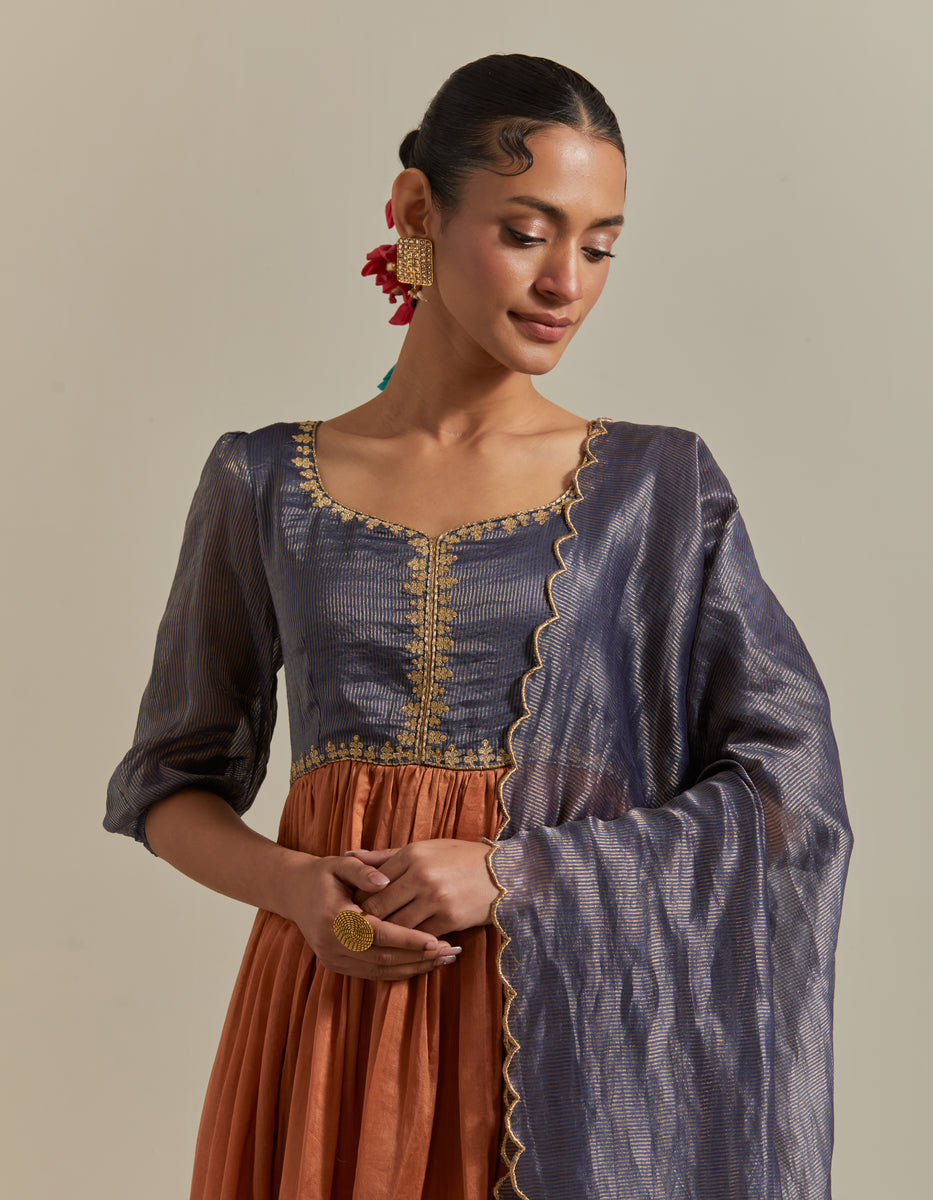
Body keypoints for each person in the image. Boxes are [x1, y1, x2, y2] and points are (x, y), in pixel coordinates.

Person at [105, 53, 851, 1200]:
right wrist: (296, 889)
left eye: (599, 247)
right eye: (526, 232)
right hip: (330, 1025)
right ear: (417, 212)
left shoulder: (656, 492)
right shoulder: (265, 481)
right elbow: (168, 782)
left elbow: (786, 796)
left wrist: (512, 870)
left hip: (575, 1036)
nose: (566, 281)